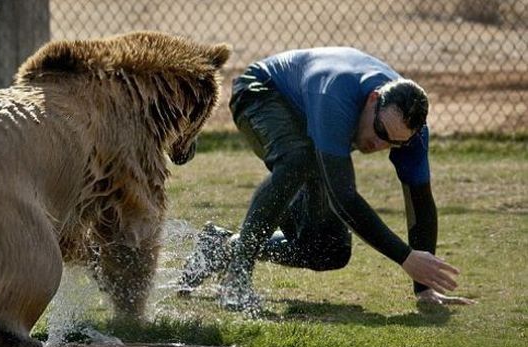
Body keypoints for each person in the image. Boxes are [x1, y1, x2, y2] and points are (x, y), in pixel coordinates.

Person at [178, 47, 475, 311]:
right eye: (380, 131)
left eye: (393, 143)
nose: (379, 144)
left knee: (328, 249)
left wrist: (425, 288)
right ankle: (237, 281)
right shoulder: (336, 96)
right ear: (373, 99)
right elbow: (343, 197)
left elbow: (420, 203)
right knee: (298, 159)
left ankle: (221, 246)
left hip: (309, 129)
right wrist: (404, 256)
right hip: (260, 90)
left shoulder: (410, 134)